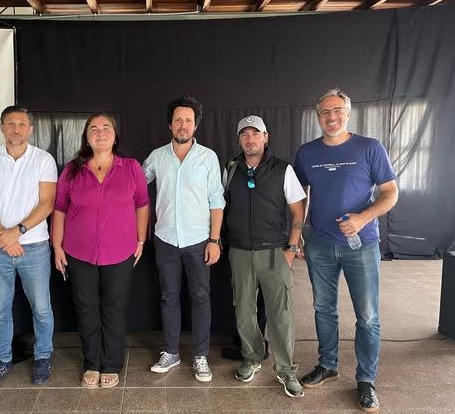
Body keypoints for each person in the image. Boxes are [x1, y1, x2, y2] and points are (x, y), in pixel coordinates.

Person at [294, 89, 398, 413]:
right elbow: (300, 195)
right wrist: (297, 233)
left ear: (348, 112)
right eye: (325, 112)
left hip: (361, 245)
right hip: (320, 244)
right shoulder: (306, 153)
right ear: (318, 117)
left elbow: (390, 192)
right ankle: (328, 365)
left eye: (337, 110)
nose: (331, 117)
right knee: (323, 309)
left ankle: (366, 379)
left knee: (367, 316)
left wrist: (363, 218)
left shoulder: (370, 148)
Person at [51, 113, 149, 389]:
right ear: (86, 137)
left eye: (106, 128)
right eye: (94, 128)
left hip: (120, 251)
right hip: (78, 252)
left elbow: (142, 204)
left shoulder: (130, 167)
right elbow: (59, 209)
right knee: (86, 308)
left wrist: (141, 240)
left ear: (115, 137)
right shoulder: (72, 170)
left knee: (115, 308)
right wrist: (57, 246)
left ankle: (111, 363)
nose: (100, 132)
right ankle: (91, 363)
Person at [143, 95, 225, 382]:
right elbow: (136, 184)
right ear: (170, 124)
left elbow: (217, 200)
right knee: (168, 297)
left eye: (188, 120)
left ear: (195, 125)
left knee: (201, 297)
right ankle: (171, 352)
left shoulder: (208, 157)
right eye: (178, 120)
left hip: (199, 240)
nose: (183, 125)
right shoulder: (157, 157)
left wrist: (214, 240)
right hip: (165, 239)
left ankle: (200, 355)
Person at [0, 106, 58, 387]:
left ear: (30, 129)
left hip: (34, 246)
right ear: (2, 128)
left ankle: (43, 356)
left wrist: (17, 232)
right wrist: (3, 236)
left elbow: (47, 203)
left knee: (42, 308)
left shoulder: (43, 159)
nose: (17, 129)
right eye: (11, 123)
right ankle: (2, 359)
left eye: (22, 124)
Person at [223, 115, 306, 397]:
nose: (250, 139)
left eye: (256, 133)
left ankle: (286, 370)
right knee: (244, 312)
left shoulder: (283, 169)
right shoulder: (231, 169)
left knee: (281, 314)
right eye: (245, 134)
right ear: (239, 140)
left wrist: (291, 249)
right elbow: (220, 206)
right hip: (239, 251)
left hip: (274, 252)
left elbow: (297, 210)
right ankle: (252, 356)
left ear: (266, 137)